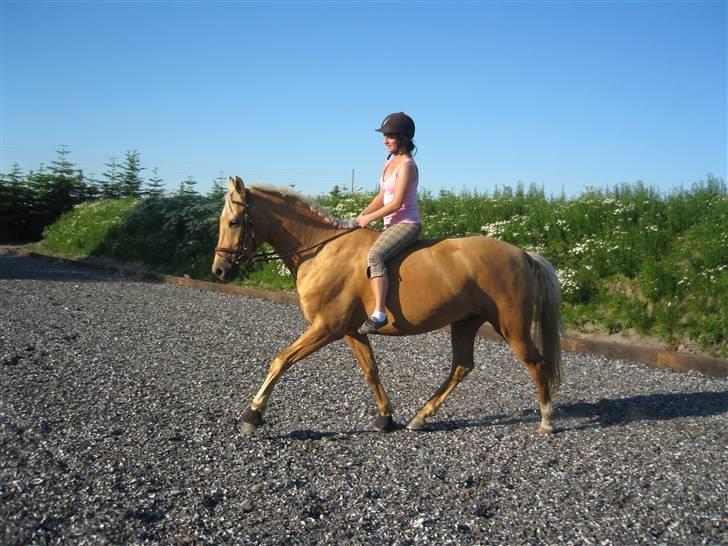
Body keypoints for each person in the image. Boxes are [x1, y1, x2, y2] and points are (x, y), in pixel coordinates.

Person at [356, 112, 422, 335]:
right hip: (389, 225)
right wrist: (360, 216)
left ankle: (379, 313)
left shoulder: (407, 166)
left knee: (375, 256)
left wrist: (369, 219)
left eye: (390, 136)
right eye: (384, 136)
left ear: (403, 138)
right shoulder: (389, 164)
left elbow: (396, 204)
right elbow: (381, 197)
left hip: (406, 223)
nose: (384, 141)